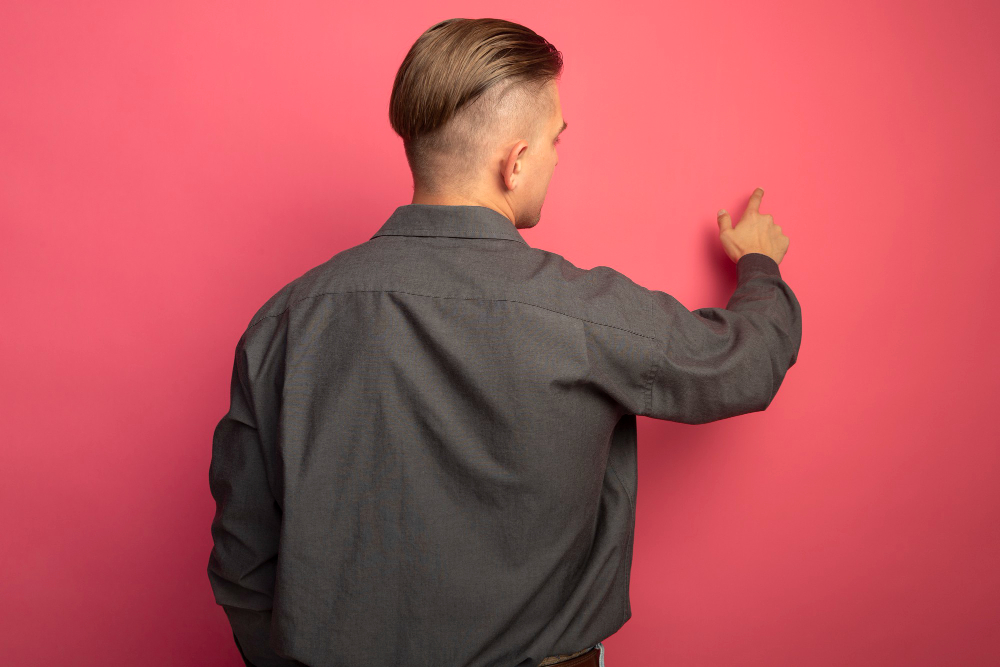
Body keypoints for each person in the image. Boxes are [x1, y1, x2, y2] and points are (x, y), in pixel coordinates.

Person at [207, 17, 800, 667]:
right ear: (515, 162)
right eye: (554, 141)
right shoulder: (583, 310)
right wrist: (760, 265)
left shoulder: (284, 320)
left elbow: (243, 554)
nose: (552, 158)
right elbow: (744, 362)